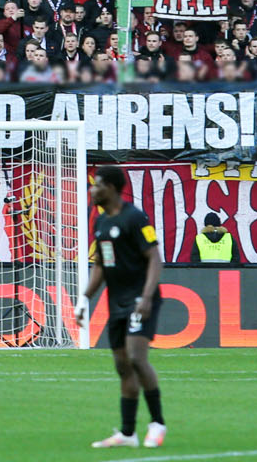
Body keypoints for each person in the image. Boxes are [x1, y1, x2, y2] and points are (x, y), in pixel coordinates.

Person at [78, 165, 165, 449]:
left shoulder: (135, 218)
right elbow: (103, 264)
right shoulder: (101, 224)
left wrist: (147, 297)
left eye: (97, 184)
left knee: (137, 358)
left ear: (112, 188)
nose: (92, 190)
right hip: (116, 301)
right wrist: (85, 298)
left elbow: (154, 258)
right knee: (122, 366)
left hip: (140, 299)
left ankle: (157, 423)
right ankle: (128, 433)